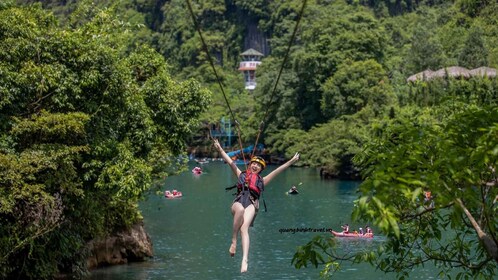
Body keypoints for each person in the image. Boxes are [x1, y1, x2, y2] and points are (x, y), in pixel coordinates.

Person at [213, 139, 300, 273]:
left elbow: (278, 170)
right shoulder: (241, 174)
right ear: (250, 165)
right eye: (253, 163)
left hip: (252, 203)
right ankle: (234, 241)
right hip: (239, 201)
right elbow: (230, 161)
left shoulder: (262, 180)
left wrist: (291, 161)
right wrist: (219, 149)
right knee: (240, 210)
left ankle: (245, 259)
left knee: (245, 229)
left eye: (258, 165)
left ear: (261, 169)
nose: (255, 166)